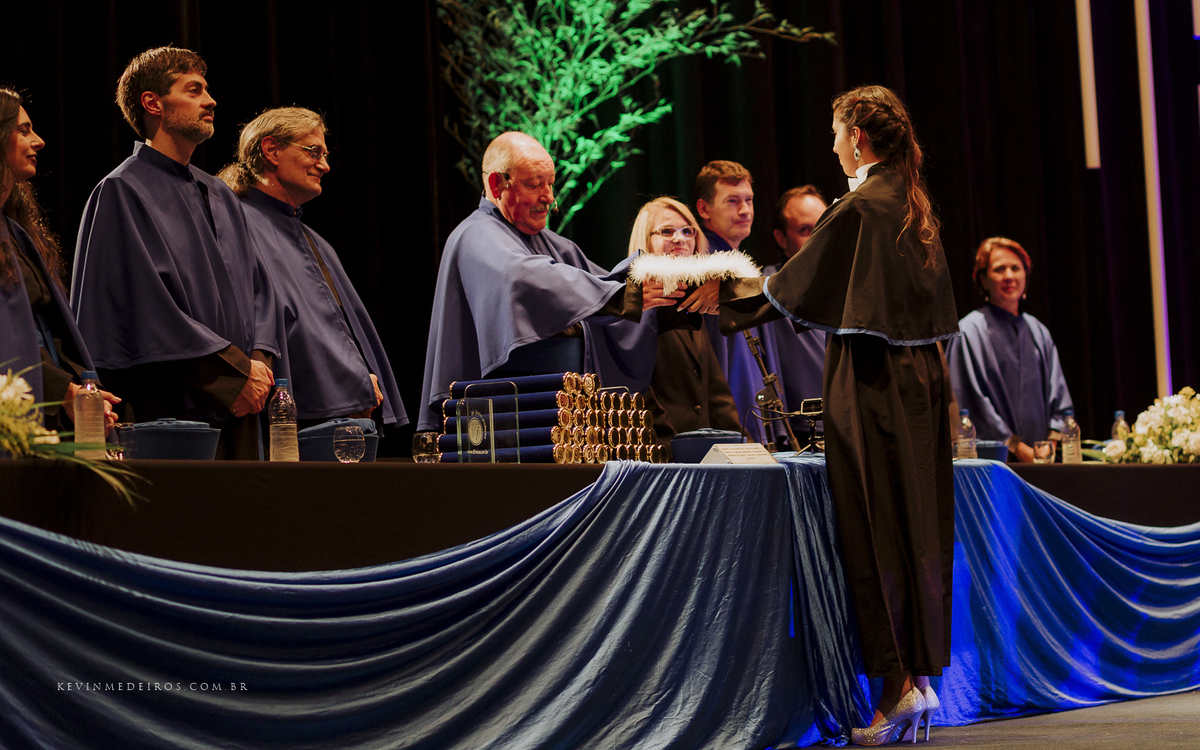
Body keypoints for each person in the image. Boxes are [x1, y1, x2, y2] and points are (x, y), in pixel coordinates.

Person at [719, 85, 959, 744]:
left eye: (835, 132)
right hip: (920, 391)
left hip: (871, 382)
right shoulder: (914, 207)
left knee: (873, 523)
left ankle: (895, 687)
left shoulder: (859, 209)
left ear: (857, 137)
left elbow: (783, 288)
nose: (831, 145)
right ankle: (915, 677)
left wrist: (707, 290)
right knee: (916, 524)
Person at [71, 47, 278, 459]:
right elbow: (147, 310)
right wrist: (233, 375)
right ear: (153, 103)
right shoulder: (122, 190)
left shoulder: (220, 193)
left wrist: (258, 369)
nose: (211, 100)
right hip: (173, 408)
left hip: (244, 402)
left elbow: (261, 293)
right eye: (194, 90)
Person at [417, 131, 689, 432]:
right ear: (497, 184)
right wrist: (618, 295)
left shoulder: (557, 246)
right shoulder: (475, 236)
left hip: (558, 420)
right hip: (496, 417)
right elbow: (522, 276)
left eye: (550, 183)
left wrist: (680, 294)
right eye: (534, 184)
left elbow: (604, 286)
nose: (548, 197)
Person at [217, 107, 407, 430]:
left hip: (345, 418)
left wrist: (362, 378)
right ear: (271, 150)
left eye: (325, 154)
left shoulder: (315, 241)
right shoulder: (235, 222)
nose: (325, 165)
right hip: (287, 421)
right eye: (313, 151)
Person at [0, 88, 118, 433]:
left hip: (46, 403)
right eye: (23, 130)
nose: (38, 141)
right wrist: (63, 390)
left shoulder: (17, 230)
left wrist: (82, 389)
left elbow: (43, 330)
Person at [626, 197, 740, 454]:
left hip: (702, 455)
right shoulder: (633, 306)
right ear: (646, 241)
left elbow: (716, 394)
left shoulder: (690, 303)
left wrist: (746, 447)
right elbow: (638, 392)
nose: (680, 239)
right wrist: (670, 448)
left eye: (688, 231)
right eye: (667, 231)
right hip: (662, 455)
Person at [945, 237, 1073, 462]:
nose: (1009, 276)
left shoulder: (1038, 331)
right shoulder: (969, 331)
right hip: (993, 464)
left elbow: (1059, 399)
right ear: (983, 280)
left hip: (1041, 463)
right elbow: (970, 402)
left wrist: (1047, 448)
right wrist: (1016, 447)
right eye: (999, 269)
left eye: (1016, 268)